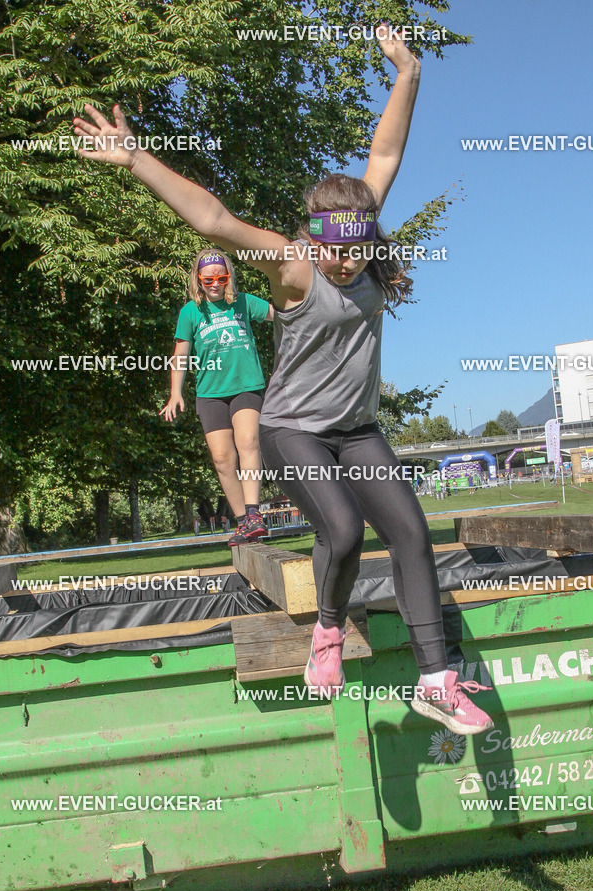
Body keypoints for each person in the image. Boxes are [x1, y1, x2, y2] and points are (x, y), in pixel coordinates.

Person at [72, 26, 493, 736]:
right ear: (314, 238)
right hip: (292, 428)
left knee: (413, 536)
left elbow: (385, 151)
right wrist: (136, 159)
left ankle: (434, 681)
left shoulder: (359, 232)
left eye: (355, 254)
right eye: (333, 255)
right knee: (340, 528)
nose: (344, 266)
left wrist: (408, 72)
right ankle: (325, 630)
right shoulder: (294, 262)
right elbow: (215, 218)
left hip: (357, 430)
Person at [160, 248, 274, 546]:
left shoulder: (244, 302)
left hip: (246, 386)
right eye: (208, 279)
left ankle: (254, 514)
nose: (215, 284)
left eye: (221, 278)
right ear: (198, 280)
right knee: (222, 459)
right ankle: (242, 522)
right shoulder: (190, 312)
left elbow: (283, 314)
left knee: (248, 440)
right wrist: (175, 393)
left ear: (229, 278)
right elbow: (180, 355)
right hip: (211, 394)